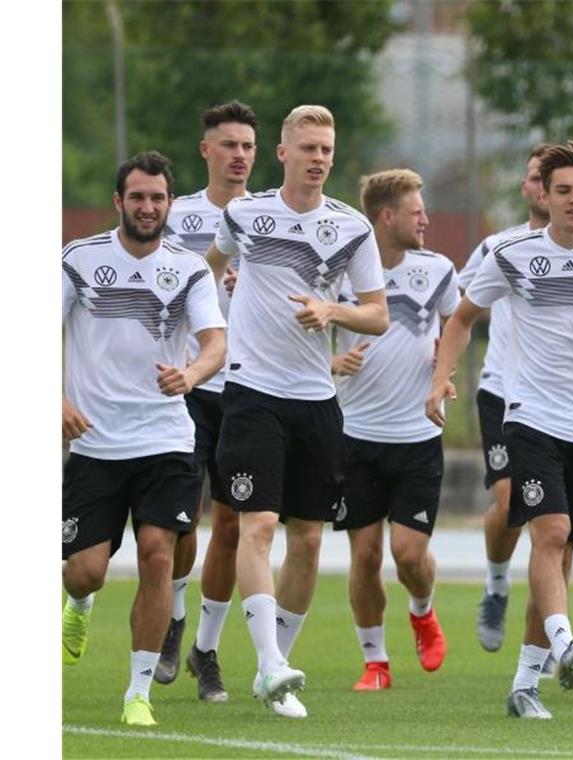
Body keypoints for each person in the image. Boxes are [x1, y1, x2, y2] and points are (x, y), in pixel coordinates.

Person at [426, 140, 573, 719]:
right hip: (530, 418)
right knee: (548, 536)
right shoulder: (511, 253)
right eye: (563, 191)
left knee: (561, 550)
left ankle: (525, 684)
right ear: (542, 197)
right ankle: (565, 643)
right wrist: (440, 380)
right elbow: (461, 319)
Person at [205, 105, 389, 719]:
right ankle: (268, 663)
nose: (318, 158)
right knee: (256, 527)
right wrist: (221, 299)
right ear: (282, 154)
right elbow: (212, 264)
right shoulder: (246, 213)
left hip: (317, 402)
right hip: (253, 392)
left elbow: (377, 314)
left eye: (327, 150)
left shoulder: (353, 228)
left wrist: (330, 312)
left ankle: (275, 666)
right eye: (307, 147)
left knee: (307, 541)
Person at [62, 151, 227, 726]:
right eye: (138, 197)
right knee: (85, 571)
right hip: (96, 444)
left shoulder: (190, 269)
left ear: (169, 204)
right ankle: (78, 603)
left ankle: (138, 694)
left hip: (167, 439)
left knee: (158, 556)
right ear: (119, 202)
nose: (148, 207)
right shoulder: (80, 261)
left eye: (158, 198)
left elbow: (214, 343)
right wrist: (56, 400)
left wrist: (194, 375)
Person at [334, 169, 457, 691]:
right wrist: (330, 364)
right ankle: (376, 663)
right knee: (364, 554)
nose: (426, 219)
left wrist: (443, 371)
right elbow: (300, 329)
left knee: (408, 554)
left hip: (417, 436)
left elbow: (458, 326)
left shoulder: (439, 270)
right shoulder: (341, 273)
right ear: (387, 217)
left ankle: (423, 610)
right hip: (355, 436)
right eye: (416, 212)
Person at [155, 99, 258, 702]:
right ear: (207, 151)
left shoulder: (271, 217)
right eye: (228, 144)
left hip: (248, 386)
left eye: (247, 145)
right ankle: (172, 615)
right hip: (188, 382)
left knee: (234, 522)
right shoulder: (178, 215)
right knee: (180, 518)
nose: (238, 155)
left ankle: (206, 650)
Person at [458, 144, 553, 655]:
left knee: (558, 523)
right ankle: (496, 584)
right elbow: (459, 306)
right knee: (509, 499)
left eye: (553, 179)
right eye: (537, 178)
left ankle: (550, 630)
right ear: (526, 186)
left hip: (562, 401)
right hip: (502, 390)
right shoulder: (500, 246)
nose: (544, 188)